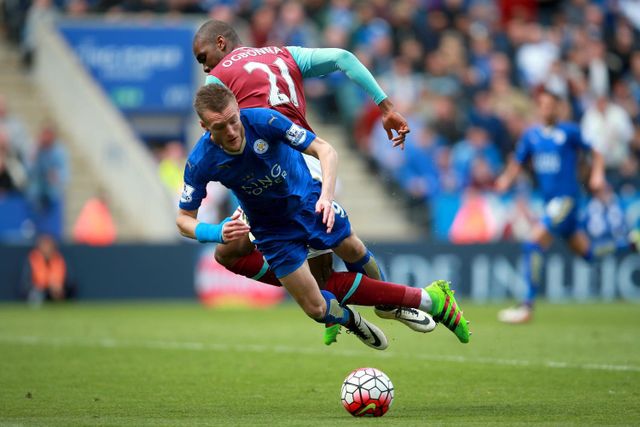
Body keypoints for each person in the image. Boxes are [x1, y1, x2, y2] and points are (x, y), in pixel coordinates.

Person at [176, 85, 471, 349]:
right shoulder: (202, 160)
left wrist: (326, 198)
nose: (230, 131)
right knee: (317, 307)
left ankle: (410, 301)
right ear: (204, 126)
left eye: (232, 120)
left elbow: (325, 150)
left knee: (352, 249)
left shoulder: (264, 121)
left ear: (238, 111)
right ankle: (350, 320)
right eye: (219, 126)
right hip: (271, 231)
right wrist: (216, 231)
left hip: (309, 203)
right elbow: (183, 220)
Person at [191, 20, 430, 339]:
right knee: (325, 265)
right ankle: (364, 308)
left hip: (283, 171)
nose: (204, 67)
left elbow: (213, 132)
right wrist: (386, 107)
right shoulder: (283, 53)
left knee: (238, 255)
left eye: (203, 56)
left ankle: (387, 302)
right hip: (315, 156)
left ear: (221, 43)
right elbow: (344, 58)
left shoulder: (218, 82)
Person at [495, 89, 639, 324]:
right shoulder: (532, 136)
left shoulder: (569, 132)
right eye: (542, 104)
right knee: (588, 254)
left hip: (567, 201)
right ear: (538, 107)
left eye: (551, 105)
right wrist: (505, 179)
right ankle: (630, 243)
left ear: (559, 108)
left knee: (532, 243)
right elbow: (518, 161)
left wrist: (597, 175)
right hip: (551, 204)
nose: (547, 109)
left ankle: (526, 307)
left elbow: (597, 150)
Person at [22, 234, 72, 305]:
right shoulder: (33, 259)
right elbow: (25, 283)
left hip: (55, 292)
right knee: (36, 295)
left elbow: (69, 280)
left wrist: (59, 287)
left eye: (49, 245)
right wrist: (45, 286)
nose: (47, 248)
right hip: (38, 291)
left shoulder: (58, 259)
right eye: (44, 245)